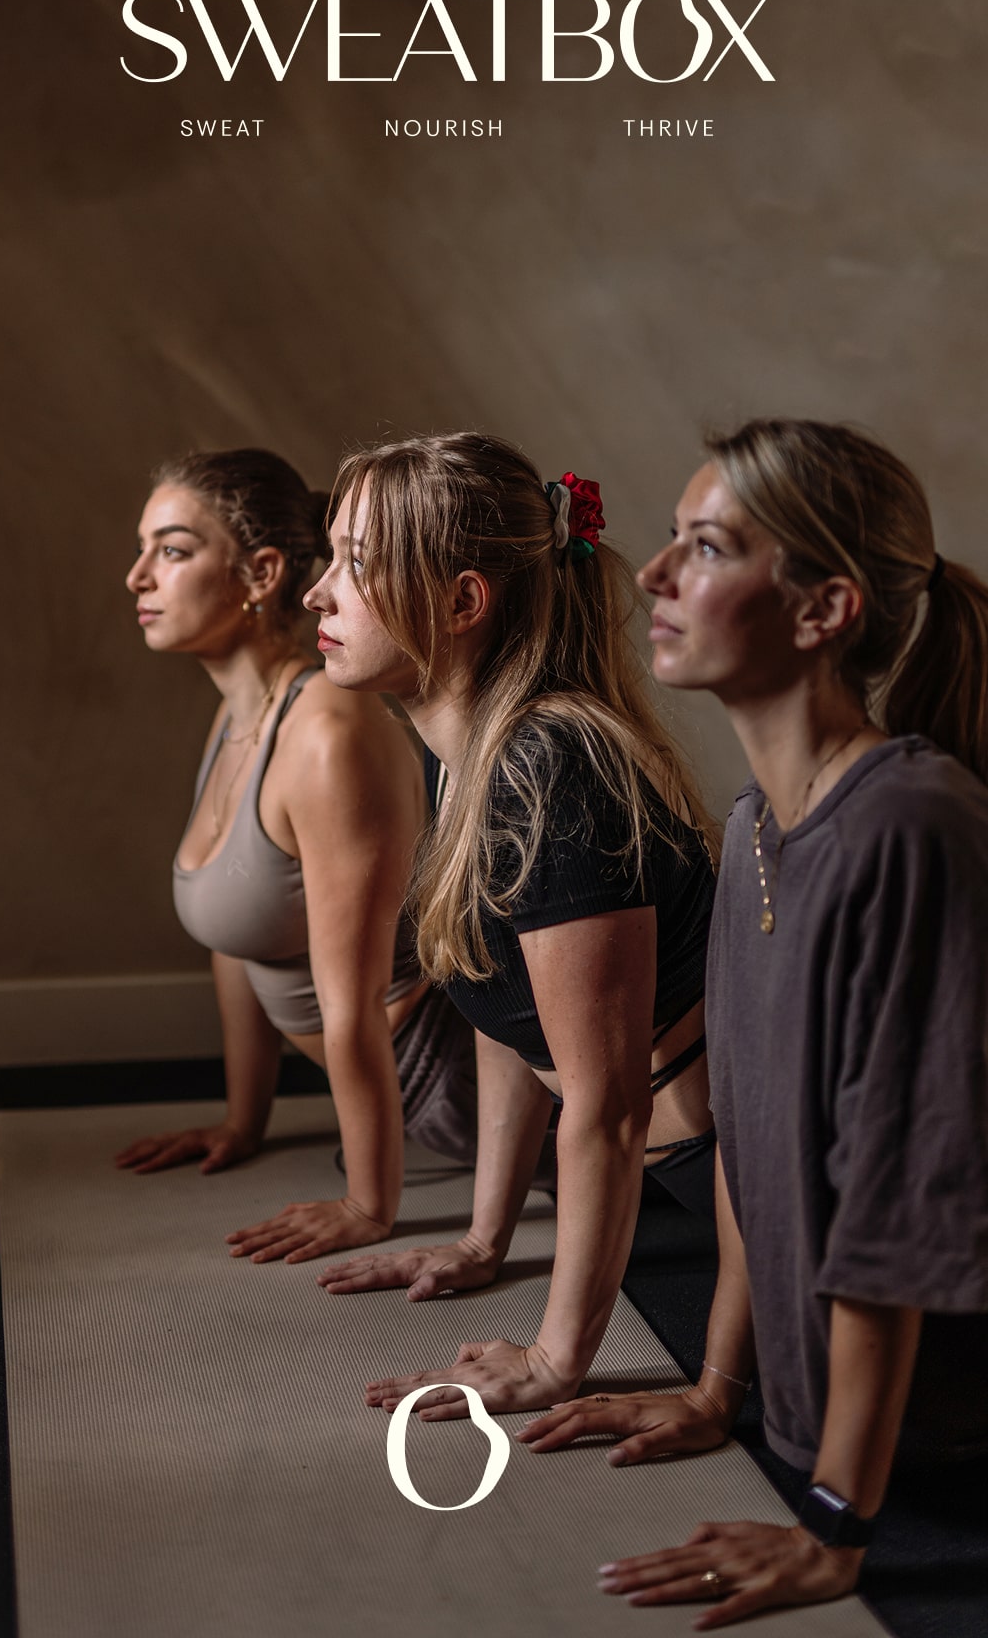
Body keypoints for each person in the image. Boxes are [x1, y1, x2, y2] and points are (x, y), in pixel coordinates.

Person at [520, 418, 988, 1625]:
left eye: (709, 547)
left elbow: (900, 1201)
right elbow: (751, 1147)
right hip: (814, 1409)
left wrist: (834, 1522)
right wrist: (717, 1392)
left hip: (936, 1430)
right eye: (672, 541)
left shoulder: (911, 825)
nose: (657, 576)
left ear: (826, 609)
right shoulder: (757, 828)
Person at [306, 432, 719, 1418]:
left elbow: (608, 1105)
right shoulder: (469, 749)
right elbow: (507, 1012)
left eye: (355, 564)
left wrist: (555, 1358)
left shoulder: (552, 768)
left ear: (460, 603)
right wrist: (483, 1240)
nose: (319, 593)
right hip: (667, 1181)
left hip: (735, 1186)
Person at [116, 447, 476, 1265]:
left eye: (171, 550)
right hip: (397, 1092)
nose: (137, 576)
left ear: (262, 571)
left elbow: (350, 1000)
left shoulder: (327, 733)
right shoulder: (243, 715)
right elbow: (234, 938)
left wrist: (369, 1205)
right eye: (143, 550)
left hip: (450, 1087)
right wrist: (244, 1123)